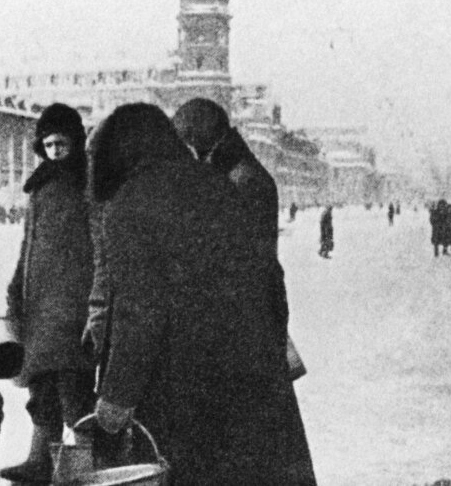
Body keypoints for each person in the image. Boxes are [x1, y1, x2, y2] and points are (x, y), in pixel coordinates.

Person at [86, 103, 311, 485]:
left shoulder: (128, 204)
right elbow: (271, 280)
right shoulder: (219, 184)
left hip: (182, 391)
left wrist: (118, 396)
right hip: (250, 378)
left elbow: (141, 311)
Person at [171, 98, 316, 482]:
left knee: (253, 448)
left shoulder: (238, 180)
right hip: (251, 326)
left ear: (200, 137)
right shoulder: (238, 172)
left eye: (184, 140)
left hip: (243, 333)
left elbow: (241, 268)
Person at [0, 103, 96, 483]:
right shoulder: (39, 185)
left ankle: (94, 467)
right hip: (39, 304)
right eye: (49, 144)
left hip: (72, 305)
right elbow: (28, 244)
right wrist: (15, 287)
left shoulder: (87, 182)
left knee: (73, 390)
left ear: (76, 142)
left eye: (62, 143)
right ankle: (39, 459)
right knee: (41, 389)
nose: (56, 151)